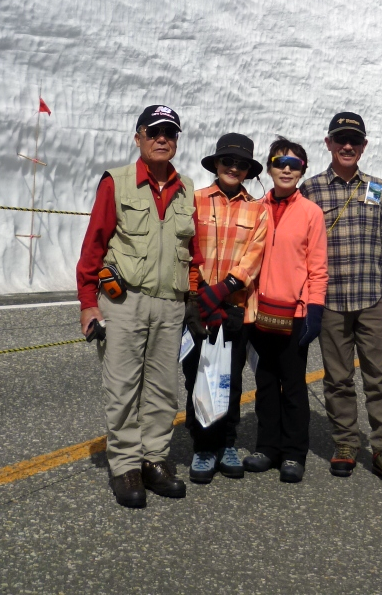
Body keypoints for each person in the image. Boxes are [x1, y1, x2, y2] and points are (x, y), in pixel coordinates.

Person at [76, 105, 194, 509]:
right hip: (123, 302)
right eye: (154, 131)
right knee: (123, 386)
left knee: (162, 389)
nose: (163, 139)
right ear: (138, 137)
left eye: (170, 133)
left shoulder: (186, 188)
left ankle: (154, 459)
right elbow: (94, 245)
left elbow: (190, 251)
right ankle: (125, 465)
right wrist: (88, 304)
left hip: (169, 303)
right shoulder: (117, 183)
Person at [300, 112, 382, 487]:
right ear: (328, 143)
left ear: (364, 146)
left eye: (355, 141)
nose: (348, 146)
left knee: (379, 378)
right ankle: (345, 442)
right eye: (341, 139)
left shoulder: (378, 189)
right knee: (338, 378)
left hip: (370, 299)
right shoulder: (310, 190)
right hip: (328, 301)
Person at [182, 133, 268, 483]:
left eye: (241, 164)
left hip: (234, 306)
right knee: (196, 376)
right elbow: (184, 243)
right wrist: (199, 290)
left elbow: (256, 252)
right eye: (227, 161)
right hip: (197, 305)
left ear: (248, 170)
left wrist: (226, 287)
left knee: (228, 381)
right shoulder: (195, 200)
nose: (234, 167)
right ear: (216, 164)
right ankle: (203, 446)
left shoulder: (258, 209)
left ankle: (227, 444)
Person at [243, 136, 328, 484]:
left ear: (302, 170)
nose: (287, 169)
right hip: (259, 311)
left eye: (294, 164)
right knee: (265, 382)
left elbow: (317, 266)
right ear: (270, 167)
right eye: (280, 162)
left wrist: (315, 309)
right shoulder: (256, 208)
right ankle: (268, 447)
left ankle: (294, 453)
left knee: (292, 385)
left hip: (293, 313)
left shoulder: (311, 212)